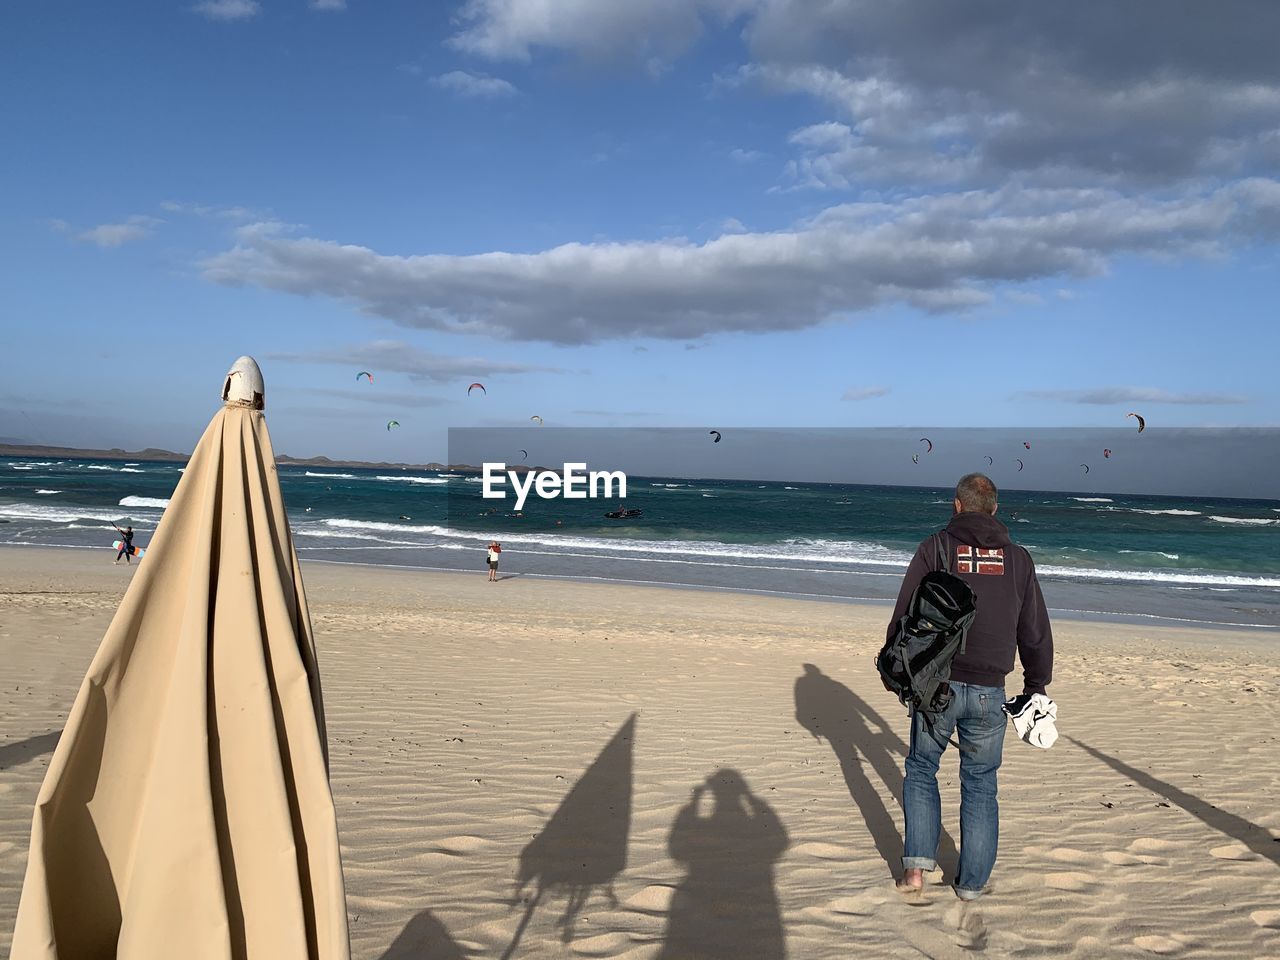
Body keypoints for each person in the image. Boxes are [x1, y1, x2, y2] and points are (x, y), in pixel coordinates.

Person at [890, 473, 1053, 901]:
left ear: (957, 506)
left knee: (922, 771)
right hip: (989, 693)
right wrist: (1036, 684)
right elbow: (1034, 632)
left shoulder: (936, 548)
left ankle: (915, 874)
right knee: (980, 783)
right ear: (995, 509)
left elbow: (904, 615)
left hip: (935, 686)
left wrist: (898, 670)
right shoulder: (1019, 560)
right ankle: (971, 886)